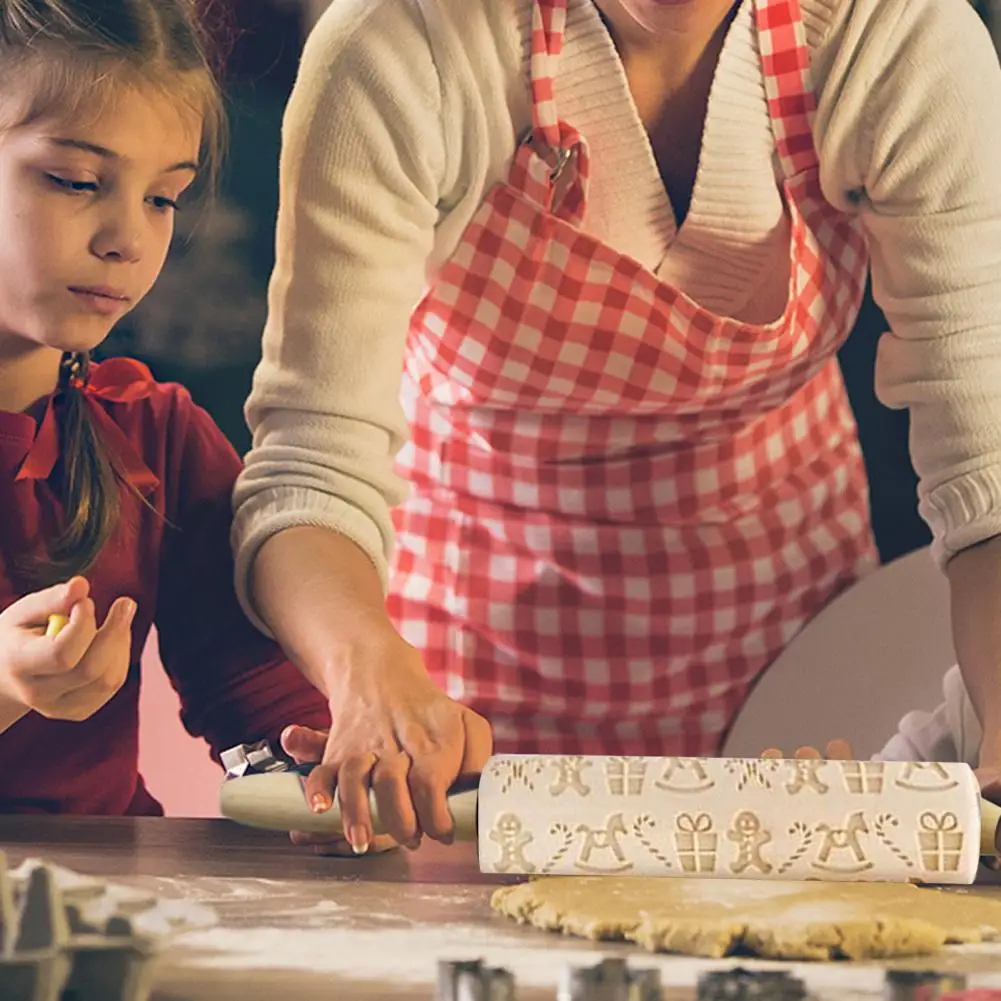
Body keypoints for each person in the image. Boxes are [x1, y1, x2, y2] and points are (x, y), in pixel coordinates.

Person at [232, 0, 1001, 857]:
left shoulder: (892, 37)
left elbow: (987, 463)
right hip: (462, 693)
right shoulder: (402, 43)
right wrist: (366, 669)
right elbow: (311, 467)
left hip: (801, 661)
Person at [0, 0, 333, 821]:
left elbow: (255, 696)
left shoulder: (159, 435)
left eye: (163, 197)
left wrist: (334, 766)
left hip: (108, 914)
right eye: (77, 181)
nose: (129, 239)